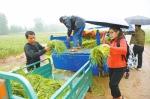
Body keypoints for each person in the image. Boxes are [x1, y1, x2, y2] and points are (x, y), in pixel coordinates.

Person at [103, 25, 127, 99]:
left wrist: (110, 47)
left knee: (113, 84)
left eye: (112, 32)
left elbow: (124, 50)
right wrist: (104, 37)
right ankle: (115, 97)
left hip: (120, 67)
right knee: (112, 84)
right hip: (112, 66)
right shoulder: (113, 40)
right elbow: (107, 48)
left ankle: (120, 97)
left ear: (118, 32)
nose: (110, 34)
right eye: (109, 33)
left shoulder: (121, 40)